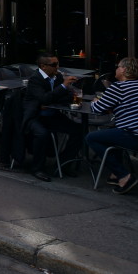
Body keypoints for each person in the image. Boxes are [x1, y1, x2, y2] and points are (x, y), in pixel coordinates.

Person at [86, 57, 138, 195]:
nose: (116, 69)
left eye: (118, 67)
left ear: (125, 70)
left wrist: (95, 101)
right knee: (112, 132)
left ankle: (124, 176)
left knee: (92, 138)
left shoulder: (119, 87)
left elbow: (97, 109)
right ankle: (115, 174)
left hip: (137, 138)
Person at [22, 52, 86, 181]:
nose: (57, 67)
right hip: (35, 116)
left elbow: (67, 95)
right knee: (42, 134)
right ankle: (37, 168)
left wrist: (55, 96)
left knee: (79, 130)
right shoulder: (35, 79)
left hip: (51, 114)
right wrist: (62, 87)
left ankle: (63, 163)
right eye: (54, 64)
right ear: (43, 66)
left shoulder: (57, 76)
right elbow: (44, 98)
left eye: (58, 64)